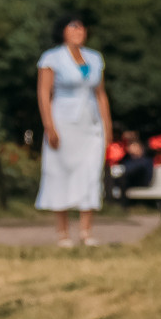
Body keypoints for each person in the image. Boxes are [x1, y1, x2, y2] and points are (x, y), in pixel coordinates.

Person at [36, 17, 111, 245]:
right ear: (63, 31)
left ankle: (86, 231)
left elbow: (100, 94)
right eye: (73, 27)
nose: (79, 31)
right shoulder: (52, 58)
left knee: (89, 173)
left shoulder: (95, 58)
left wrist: (107, 126)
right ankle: (63, 232)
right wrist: (50, 126)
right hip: (63, 121)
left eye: (81, 27)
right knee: (61, 173)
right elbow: (44, 93)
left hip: (90, 125)